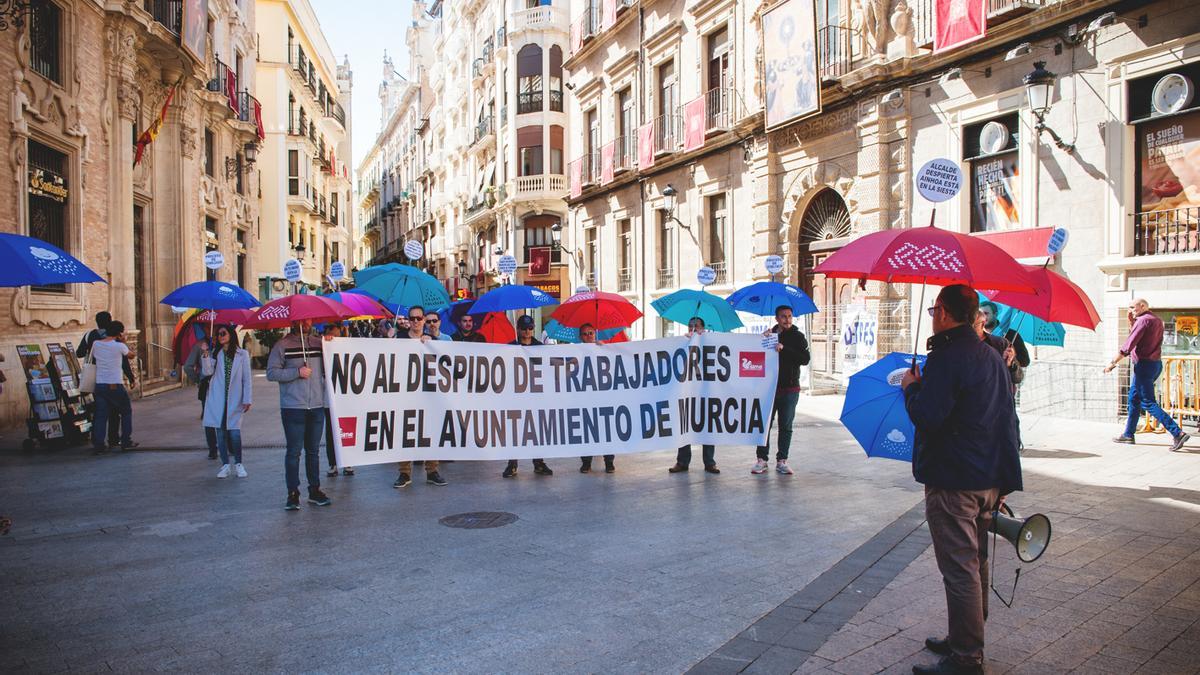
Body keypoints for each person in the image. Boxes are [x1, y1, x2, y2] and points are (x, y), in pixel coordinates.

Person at [901, 285, 1022, 675]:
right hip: (987, 477)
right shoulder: (990, 356)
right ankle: (964, 637)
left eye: (935, 309)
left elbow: (928, 417)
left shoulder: (947, 358)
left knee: (960, 567)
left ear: (944, 314)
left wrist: (912, 388)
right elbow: (1007, 419)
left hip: (955, 480)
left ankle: (967, 656)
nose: (933, 315)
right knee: (975, 562)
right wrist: (1003, 482)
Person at [1105, 298, 1191, 451]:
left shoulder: (1143, 321)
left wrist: (1113, 362)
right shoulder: (1156, 320)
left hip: (1144, 365)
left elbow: (1129, 345)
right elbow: (1142, 338)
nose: (1130, 310)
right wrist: (1132, 322)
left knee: (1147, 402)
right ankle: (1128, 434)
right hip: (1155, 364)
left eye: (1132, 307)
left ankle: (1177, 433)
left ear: (1142, 306)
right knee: (1134, 398)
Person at [267, 320, 332, 511]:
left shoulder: (318, 343)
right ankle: (293, 493)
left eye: (308, 320)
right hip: (293, 407)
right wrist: (297, 372)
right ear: (293, 322)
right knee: (294, 452)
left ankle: (314, 490)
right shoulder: (282, 345)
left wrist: (331, 343)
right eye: (301, 320)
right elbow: (272, 373)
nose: (305, 323)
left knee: (313, 451)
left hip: (317, 405)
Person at [393, 306, 449, 488]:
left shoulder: (432, 340)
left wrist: (432, 343)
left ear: (424, 320)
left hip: (428, 394)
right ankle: (404, 472)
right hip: (405, 392)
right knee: (405, 432)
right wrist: (389, 340)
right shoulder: (399, 338)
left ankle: (432, 470)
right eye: (412, 318)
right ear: (408, 320)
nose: (416, 321)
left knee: (430, 430)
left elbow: (444, 366)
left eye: (419, 318)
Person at [753, 305, 810, 475]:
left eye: (790, 316)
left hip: (790, 389)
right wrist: (762, 340)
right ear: (777, 318)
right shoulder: (769, 335)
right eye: (783, 316)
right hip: (768, 389)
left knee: (786, 426)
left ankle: (782, 460)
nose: (787, 320)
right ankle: (761, 460)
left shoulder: (798, 337)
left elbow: (805, 359)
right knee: (764, 426)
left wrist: (784, 349)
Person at [503, 315, 554, 478]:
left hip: (535, 395)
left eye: (530, 328)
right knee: (515, 430)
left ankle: (538, 462)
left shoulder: (540, 347)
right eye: (524, 328)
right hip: (516, 395)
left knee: (536, 430)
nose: (527, 332)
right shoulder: (510, 347)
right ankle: (512, 464)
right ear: (518, 329)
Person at [203, 324, 252, 479]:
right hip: (218, 398)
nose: (221, 336)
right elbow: (207, 372)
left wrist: (247, 398)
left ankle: (239, 464)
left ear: (231, 334)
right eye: (218, 334)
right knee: (220, 433)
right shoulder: (215, 353)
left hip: (235, 398)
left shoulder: (242, 354)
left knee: (234, 433)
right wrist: (205, 354)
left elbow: (247, 379)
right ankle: (225, 465)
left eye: (223, 333)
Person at [671, 317, 719, 475]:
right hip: (687, 392)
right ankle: (682, 462)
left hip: (706, 391)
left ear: (703, 328)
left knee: (707, 426)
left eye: (696, 326)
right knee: (685, 425)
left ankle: (709, 462)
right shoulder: (684, 342)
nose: (693, 328)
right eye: (690, 326)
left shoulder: (711, 341)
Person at [90, 321, 138, 454]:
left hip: (100, 384)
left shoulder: (96, 344)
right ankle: (126, 440)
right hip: (115, 384)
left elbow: (94, 356)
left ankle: (99, 445)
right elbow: (131, 355)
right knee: (126, 412)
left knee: (101, 415)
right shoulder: (119, 347)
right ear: (119, 333)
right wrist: (123, 341)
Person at [578, 323, 616, 473]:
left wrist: (605, 349)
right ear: (581, 337)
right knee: (586, 430)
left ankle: (609, 462)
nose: (589, 336)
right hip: (585, 397)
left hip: (603, 397)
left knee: (606, 429)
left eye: (591, 333)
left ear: (595, 334)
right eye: (585, 334)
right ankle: (586, 462)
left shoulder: (603, 348)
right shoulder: (576, 351)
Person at [322, 323, 354, 477]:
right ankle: (333, 463)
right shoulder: (322, 349)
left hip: (346, 398)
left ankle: (348, 462)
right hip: (329, 399)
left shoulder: (348, 348)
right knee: (331, 432)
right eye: (332, 335)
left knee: (347, 430)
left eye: (338, 335)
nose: (335, 338)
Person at [184, 326, 219, 459]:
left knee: (212, 417)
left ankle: (215, 448)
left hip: (211, 385)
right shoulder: (201, 346)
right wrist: (198, 379)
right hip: (208, 386)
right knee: (211, 418)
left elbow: (188, 366)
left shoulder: (223, 346)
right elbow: (188, 367)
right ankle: (214, 448)